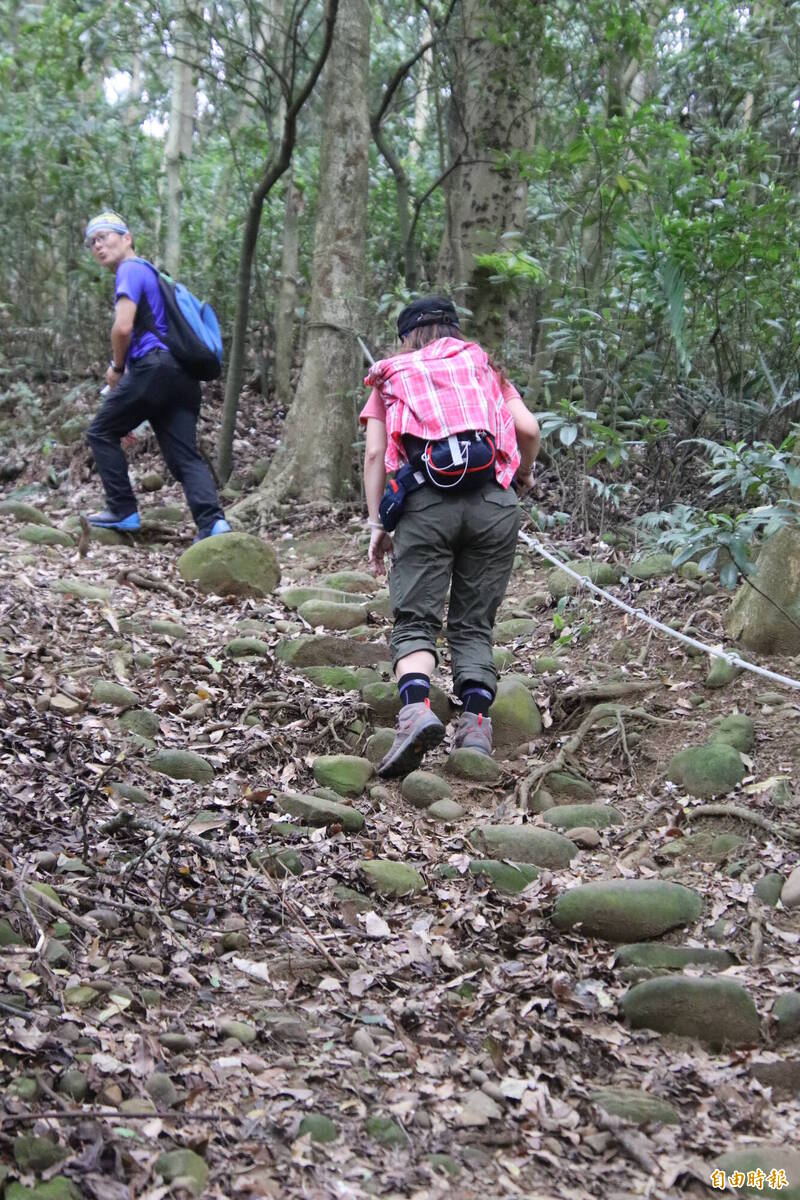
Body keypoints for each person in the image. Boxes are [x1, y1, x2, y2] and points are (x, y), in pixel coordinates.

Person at [361, 296, 540, 778]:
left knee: (415, 618)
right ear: (455, 331)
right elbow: (528, 427)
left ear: (406, 337)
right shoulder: (482, 364)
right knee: (473, 623)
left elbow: (376, 456)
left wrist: (379, 522)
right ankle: (477, 726)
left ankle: (416, 710)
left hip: (425, 505)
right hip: (493, 505)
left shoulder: (391, 374)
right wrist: (522, 475)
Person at [83, 210, 231, 540]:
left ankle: (122, 511)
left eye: (104, 236)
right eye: (92, 241)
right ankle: (213, 524)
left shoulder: (130, 269)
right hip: (181, 378)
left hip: (154, 369)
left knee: (100, 431)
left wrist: (117, 369)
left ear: (127, 238)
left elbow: (122, 328)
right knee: (184, 457)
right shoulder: (153, 273)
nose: (97, 245)